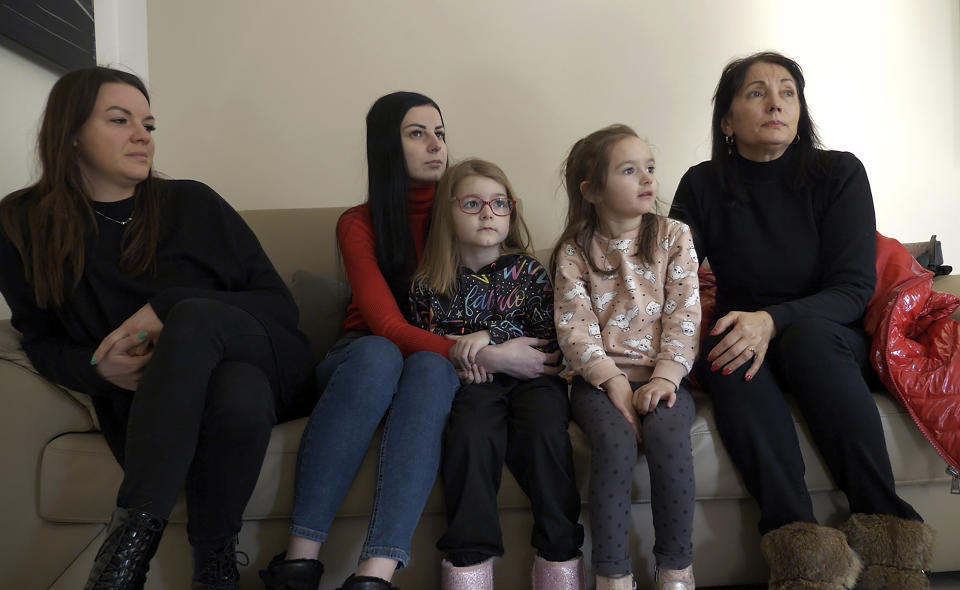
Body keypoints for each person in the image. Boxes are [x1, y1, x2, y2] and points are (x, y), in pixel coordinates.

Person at [0, 67, 315, 590]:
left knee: (192, 318)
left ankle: (124, 555)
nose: (143, 135)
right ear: (71, 132)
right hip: (155, 406)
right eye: (121, 120)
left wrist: (166, 306)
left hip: (271, 359)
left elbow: (278, 307)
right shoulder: (20, 225)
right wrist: (99, 369)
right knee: (236, 392)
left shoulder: (191, 202)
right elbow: (38, 340)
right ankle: (214, 566)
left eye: (148, 123)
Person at [259, 94, 559, 590]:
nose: (434, 144)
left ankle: (375, 573)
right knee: (383, 355)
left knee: (430, 368)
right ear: (386, 144)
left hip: (433, 362)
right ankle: (299, 563)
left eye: (439, 132)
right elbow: (386, 326)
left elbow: (514, 298)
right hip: (364, 354)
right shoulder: (358, 222)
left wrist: (480, 348)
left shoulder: (464, 209)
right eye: (416, 132)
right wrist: (484, 354)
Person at [669, 51, 934, 590]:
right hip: (749, 337)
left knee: (807, 338)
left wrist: (772, 319)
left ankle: (888, 537)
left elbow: (854, 290)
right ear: (727, 120)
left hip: (828, 338)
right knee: (723, 351)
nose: (775, 103)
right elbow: (669, 274)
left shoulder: (837, 173)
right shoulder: (702, 184)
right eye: (756, 92)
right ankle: (801, 551)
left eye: (787, 91)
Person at [408, 159, 583, 589]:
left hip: (534, 378)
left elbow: (549, 335)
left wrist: (490, 334)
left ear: (511, 211)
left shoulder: (527, 270)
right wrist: (473, 357)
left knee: (545, 433)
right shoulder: (428, 283)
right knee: (470, 435)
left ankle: (559, 557)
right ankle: (470, 564)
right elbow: (429, 344)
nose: (487, 213)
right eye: (472, 203)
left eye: (498, 203)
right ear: (447, 212)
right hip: (474, 384)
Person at [552, 125, 700, 590]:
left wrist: (668, 378)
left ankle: (676, 567)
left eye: (650, 168)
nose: (646, 179)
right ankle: (612, 574)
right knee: (614, 445)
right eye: (629, 170)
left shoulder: (674, 235)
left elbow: (684, 314)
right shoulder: (575, 249)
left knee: (668, 437)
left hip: (663, 375)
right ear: (592, 190)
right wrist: (613, 382)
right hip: (599, 382)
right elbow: (574, 328)